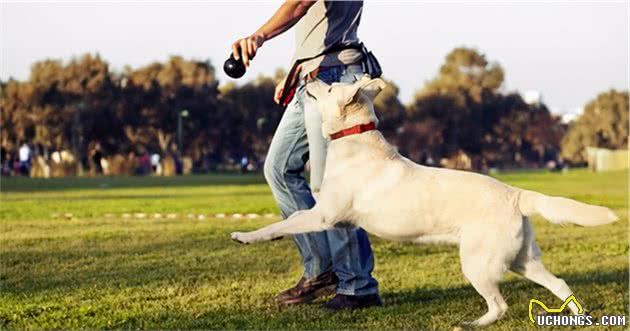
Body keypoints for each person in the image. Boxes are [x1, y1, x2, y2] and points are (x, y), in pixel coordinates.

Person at [231, 0, 380, 310]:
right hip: (313, 76)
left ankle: (357, 286)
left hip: (334, 79)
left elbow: (299, 4)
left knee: (331, 187)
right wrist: (297, 70)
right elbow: (318, 25)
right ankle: (321, 271)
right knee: (279, 169)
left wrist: (258, 36)